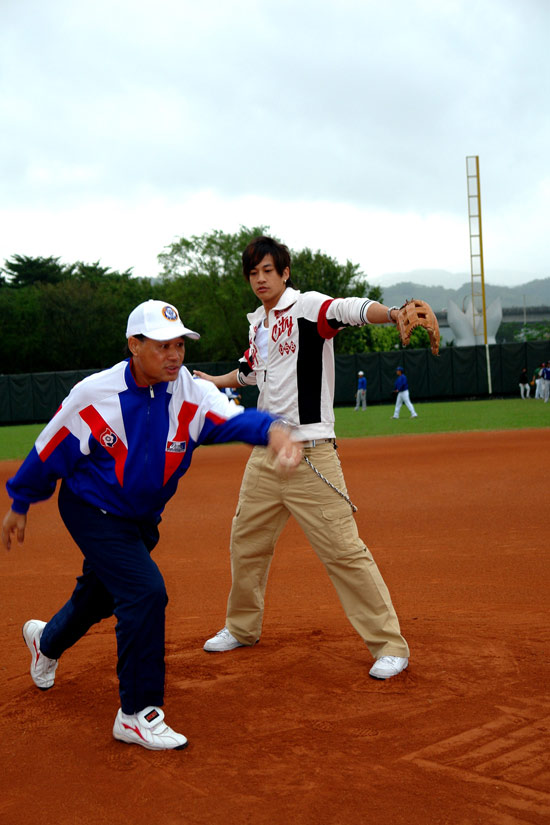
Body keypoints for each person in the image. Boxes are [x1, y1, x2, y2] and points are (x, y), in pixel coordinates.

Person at [1, 299, 300, 751]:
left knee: (101, 594)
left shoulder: (190, 393)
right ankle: (137, 713)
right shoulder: (94, 394)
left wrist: (273, 431)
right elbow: (50, 447)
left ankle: (48, 640)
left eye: (179, 344)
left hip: (140, 519)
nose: (174, 355)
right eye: (162, 346)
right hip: (91, 509)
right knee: (144, 592)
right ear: (134, 345)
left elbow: (234, 418)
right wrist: (21, 501)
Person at [194, 235, 412, 680]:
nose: (260, 279)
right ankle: (242, 627)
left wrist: (392, 314)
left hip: (312, 454)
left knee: (344, 551)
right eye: (253, 273)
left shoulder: (307, 307)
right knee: (246, 542)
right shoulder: (258, 324)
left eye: (267, 271)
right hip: (265, 455)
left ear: (285, 273)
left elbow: (349, 309)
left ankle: (390, 645)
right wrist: (214, 381)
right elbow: (251, 374)